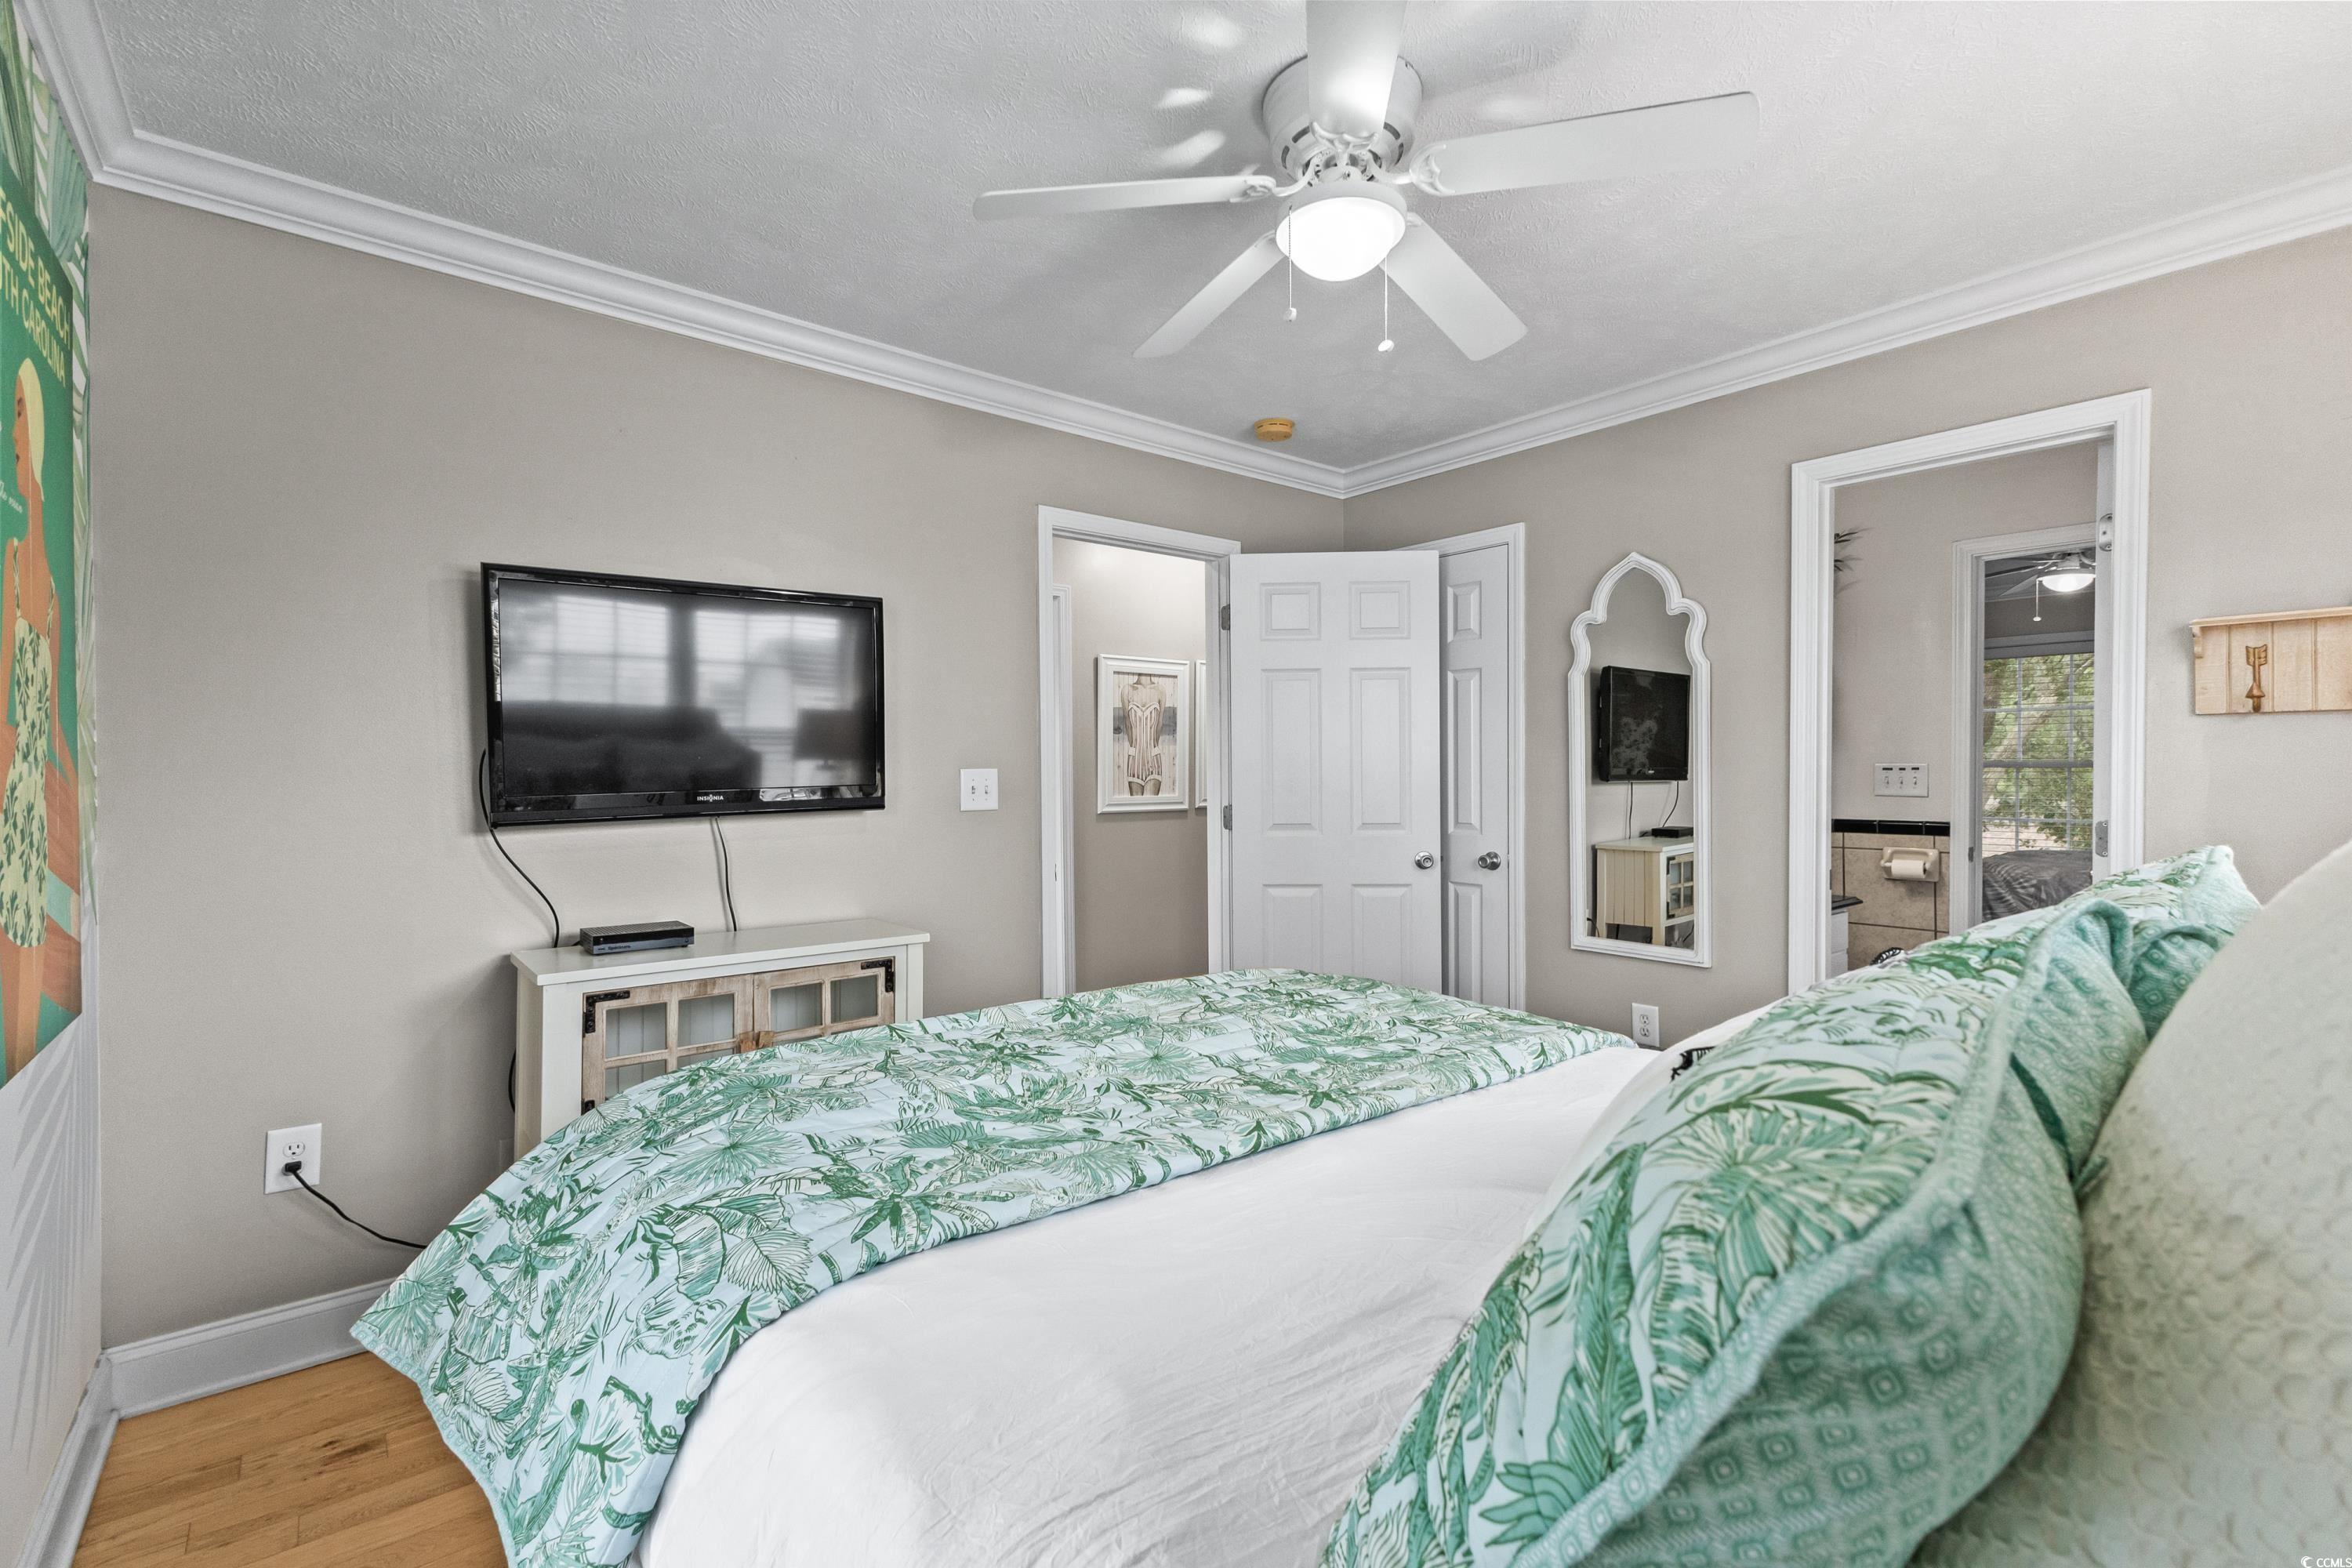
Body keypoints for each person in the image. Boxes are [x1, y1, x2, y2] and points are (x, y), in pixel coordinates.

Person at [0, 358, 71, 1077]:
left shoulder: (37, 565)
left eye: (21, 415)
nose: (13, 431)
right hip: (12, 802)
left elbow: (42, 726)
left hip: (25, 813)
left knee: (22, 1034)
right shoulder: (21, 554)